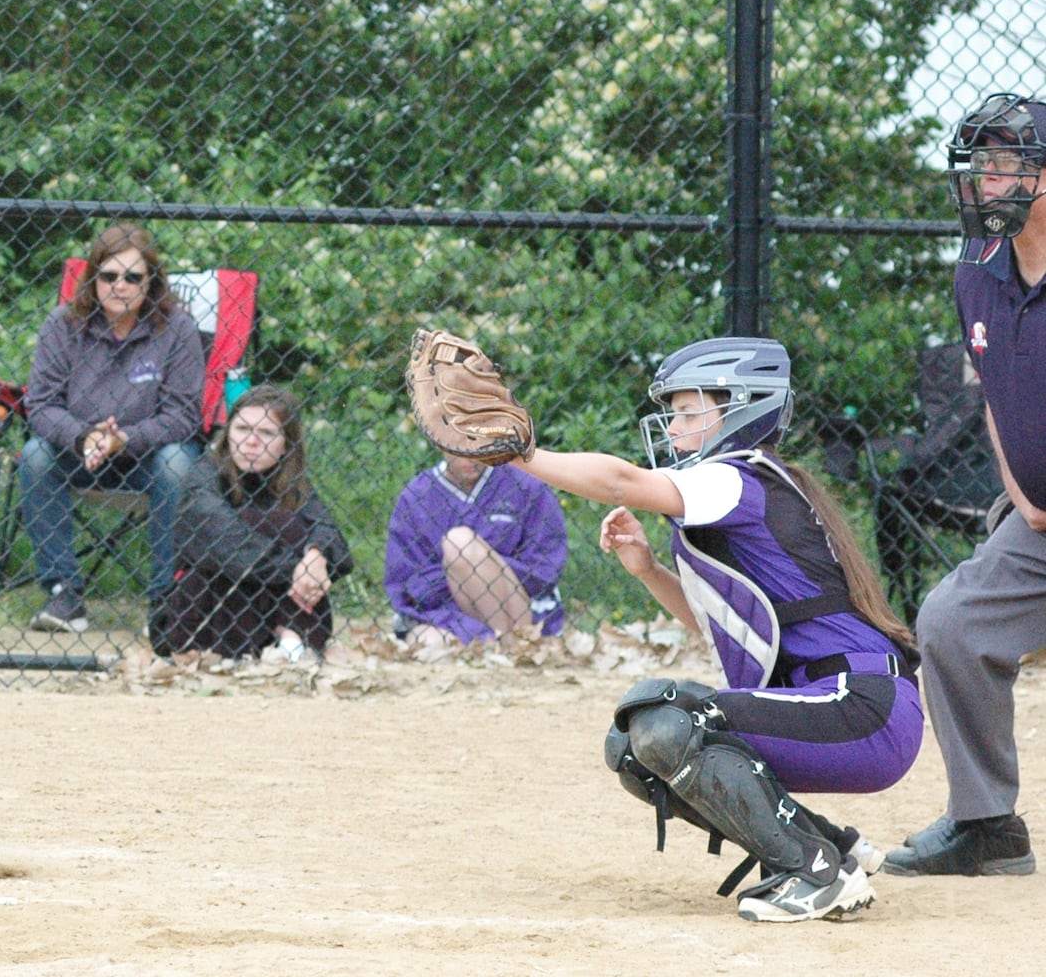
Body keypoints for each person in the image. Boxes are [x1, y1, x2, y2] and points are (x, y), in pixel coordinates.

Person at [507, 335, 921, 923]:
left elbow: (622, 482)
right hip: (851, 706)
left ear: (742, 408)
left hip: (863, 707)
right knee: (633, 747)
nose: (673, 426)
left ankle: (814, 871)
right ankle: (828, 847)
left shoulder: (737, 478)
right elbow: (729, 627)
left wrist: (524, 455)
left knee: (668, 721)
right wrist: (648, 569)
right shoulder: (751, 486)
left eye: (687, 410)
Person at [881, 92, 1046, 878]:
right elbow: (993, 392)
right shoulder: (978, 271)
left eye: (1004, 165)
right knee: (950, 620)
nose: (984, 183)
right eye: (978, 166)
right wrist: (1020, 494)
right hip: (1038, 524)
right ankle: (986, 825)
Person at [20, 221, 203, 633]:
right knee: (34, 455)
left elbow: (183, 416)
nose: (119, 286)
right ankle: (63, 593)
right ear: (93, 278)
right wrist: (85, 436)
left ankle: (166, 600)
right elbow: (41, 406)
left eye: (133, 277)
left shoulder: (178, 330)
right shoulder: (62, 324)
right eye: (109, 275)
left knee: (178, 462)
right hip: (78, 452)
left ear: (151, 281)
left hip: (149, 456)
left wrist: (124, 439)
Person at [153, 384, 352, 662]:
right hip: (205, 617)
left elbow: (334, 541)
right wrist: (300, 569)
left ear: (287, 445)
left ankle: (289, 642)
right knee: (271, 526)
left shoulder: (292, 483)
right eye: (242, 429)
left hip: (268, 605)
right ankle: (293, 642)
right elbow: (231, 547)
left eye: (267, 433)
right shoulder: (203, 476)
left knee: (293, 527)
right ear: (228, 433)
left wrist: (316, 556)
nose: (251, 442)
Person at [384, 449, 568, 649]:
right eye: (457, 447)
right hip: (446, 614)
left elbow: (544, 569)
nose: (469, 457)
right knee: (428, 645)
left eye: (476, 446)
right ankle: (489, 646)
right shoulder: (416, 495)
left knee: (459, 544)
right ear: (439, 443)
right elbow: (407, 583)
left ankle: (513, 648)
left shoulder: (525, 484)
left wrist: (483, 565)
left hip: (517, 611)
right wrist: (455, 573)